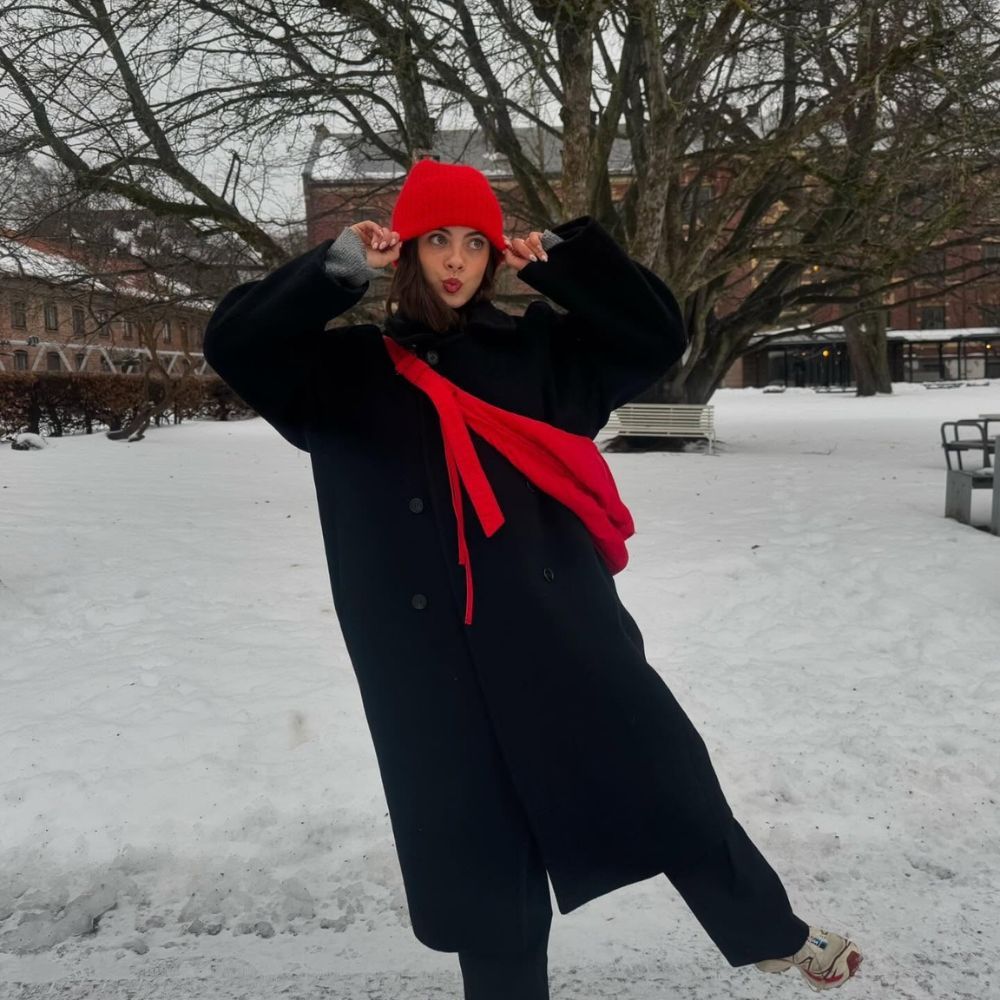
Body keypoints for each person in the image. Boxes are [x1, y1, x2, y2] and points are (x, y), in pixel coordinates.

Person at [203, 157, 863, 998]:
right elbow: (232, 343)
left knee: (664, 780)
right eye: (437, 240)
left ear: (488, 258)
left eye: (473, 244)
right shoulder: (339, 375)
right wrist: (334, 271)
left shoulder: (538, 354)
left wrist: (564, 261)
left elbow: (654, 336)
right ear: (405, 250)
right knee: (487, 866)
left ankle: (769, 932)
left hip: (560, 632)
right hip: (429, 660)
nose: (455, 260)